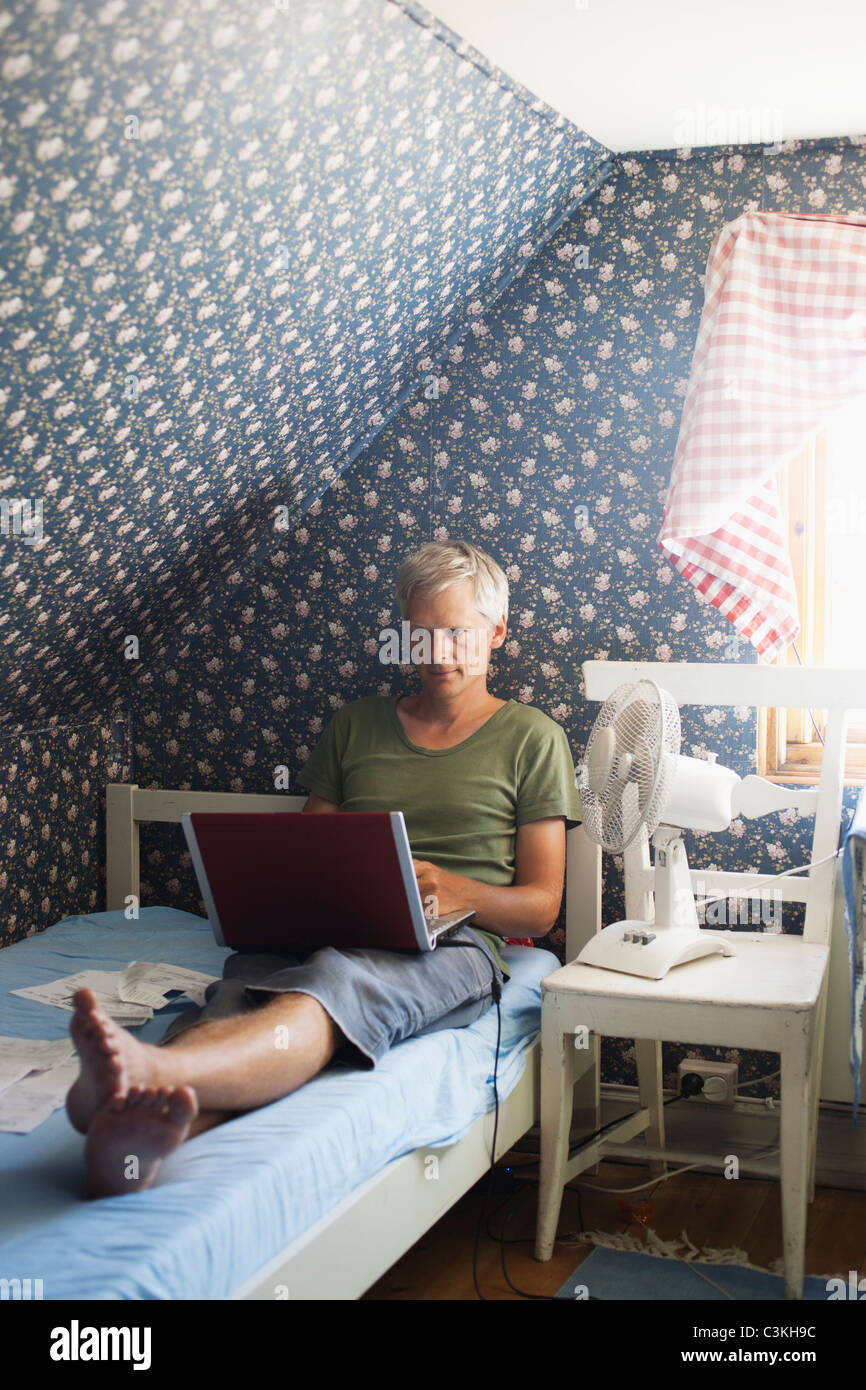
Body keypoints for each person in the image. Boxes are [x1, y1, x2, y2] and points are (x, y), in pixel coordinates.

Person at [66, 539, 582, 1197]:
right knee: (241, 994)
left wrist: (456, 889)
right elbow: (308, 853)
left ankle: (146, 1073)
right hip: (333, 924)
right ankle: (139, 1140)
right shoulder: (355, 726)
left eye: (457, 633)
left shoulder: (533, 738)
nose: (438, 653)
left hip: (455, 942)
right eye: (421, 635)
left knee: (330, 987)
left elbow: (541, 906)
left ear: (497, 632)